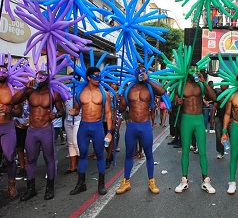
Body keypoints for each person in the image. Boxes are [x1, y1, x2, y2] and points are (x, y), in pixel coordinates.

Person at [11, 70, 65, 201]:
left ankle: (50, 188)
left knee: (49, 158)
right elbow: (13, 101)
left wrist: (56, 115)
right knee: (31, 159)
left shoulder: (53, 93)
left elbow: (62, 111)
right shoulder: (30, 92)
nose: (38, 79)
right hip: (32, 130)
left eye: (41, 77)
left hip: (47, 129)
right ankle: (31, 189)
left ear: (47, 79)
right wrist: (26, 88)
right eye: (37, 77)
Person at [115, 66, 165, 195]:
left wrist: (148, 80)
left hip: (145, 125)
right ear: (136, 74)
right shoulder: (129, 89)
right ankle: (126, 182)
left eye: (144, 72)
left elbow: (162, 91)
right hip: (132, 126)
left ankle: (151, 181)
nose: (142, 74)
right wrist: (119, 101)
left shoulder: (150, 88)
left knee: (149, 154)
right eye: (140, 72)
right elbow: (121, 109)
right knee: (129, 155)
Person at [69, 67, 112, 196]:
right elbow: (77, 109)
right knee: (82, 154)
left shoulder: (104, 93)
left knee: (99, 154)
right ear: (88, 77)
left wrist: (109, 131)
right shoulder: (79, 93)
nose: (98, 79)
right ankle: (81, 184)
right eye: (95, 76)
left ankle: (101, 184)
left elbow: (109, 113)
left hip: (98, 126)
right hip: (84, 126)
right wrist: (74, 112)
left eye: (100, 76)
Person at [174, 63, 216, 194]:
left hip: (198, 119)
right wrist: (177, 102)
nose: (194, 71)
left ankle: (205, 180)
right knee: (185, 150)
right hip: (186, 118)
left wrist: (204, 82)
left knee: (202, 151)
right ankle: (184, 180)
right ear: (187, 70)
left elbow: (214, 97)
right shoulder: (181, 85)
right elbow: (174, 103)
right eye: (191, 69)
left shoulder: (200, 84)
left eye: (195, 69)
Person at [0, 65, 23, 198]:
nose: (1, 74)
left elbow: (19, 112)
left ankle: (11, 184)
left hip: (7, 127)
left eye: (4, 72)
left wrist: (11, 111)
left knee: (9, 158)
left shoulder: (13, 91)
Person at [64, 74, 81, 174]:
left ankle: (81, 162)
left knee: (75, 142)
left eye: (73, 79)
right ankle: (73, 166)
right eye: (69, 80)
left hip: (78, 119)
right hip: (68, 119)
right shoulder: (65, 90)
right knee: (70, 143)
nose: (70, 81)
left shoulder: (81, 90)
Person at [211, 83, 229, 159]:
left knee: (233, 136)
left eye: (223, 85)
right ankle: (220, 152)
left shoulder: (230, 94)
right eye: (221, 85)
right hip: (219, 117)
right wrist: (212, 117)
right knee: (218, 135)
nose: (221, 86)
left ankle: (235, 153)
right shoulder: (219, 94)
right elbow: (214, 106)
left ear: (227, 86)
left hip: (230, 119)